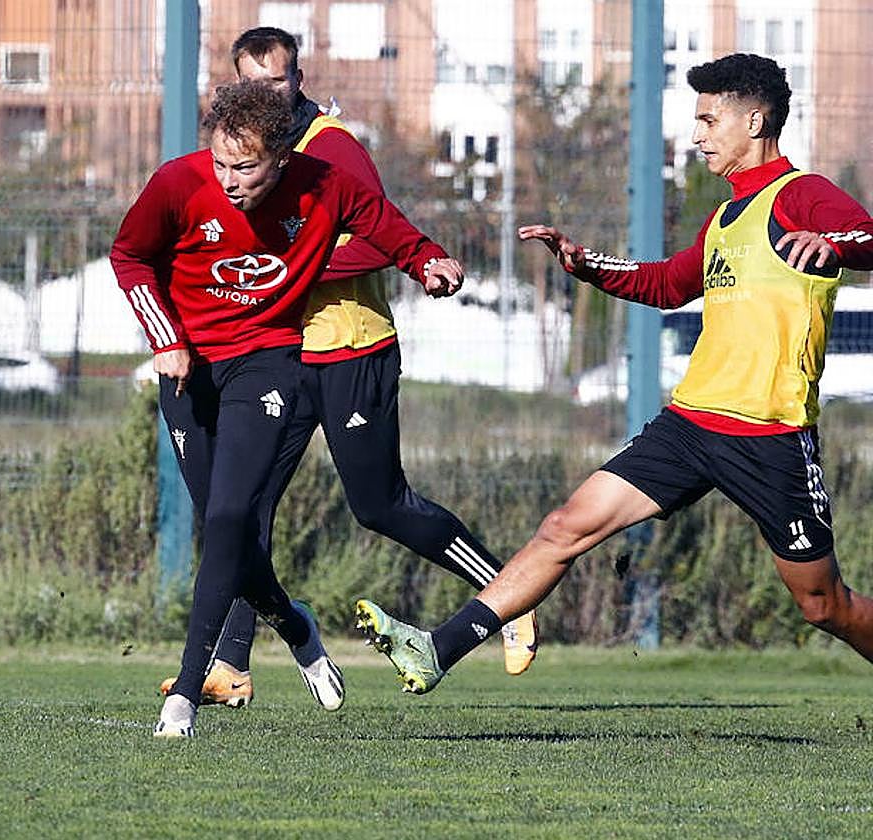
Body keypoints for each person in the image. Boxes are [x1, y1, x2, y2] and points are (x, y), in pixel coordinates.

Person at [355, 52, 873, 693]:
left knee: (823, 605)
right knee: (564, 527)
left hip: (770, 438)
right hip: (690, 426)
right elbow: (667, 283)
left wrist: (835, 243)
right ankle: (437, 649)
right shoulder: (725, 217)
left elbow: (866, 234)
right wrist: (586, 264)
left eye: (709, 121)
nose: (697, 136)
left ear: (755, 121)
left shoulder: (800, 194)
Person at [156, 26, 539, 710]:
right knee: (240, 510)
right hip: (277, 356)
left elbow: (377, 235)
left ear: (299, 79)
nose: (267, 91)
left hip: (348, 347)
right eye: (251, 82)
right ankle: (229, 665)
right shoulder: (240, 157)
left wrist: (292, 268)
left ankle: (510, 591)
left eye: (278, 79)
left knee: (378, 504)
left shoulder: (329, 147)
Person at [112, 79, 465, 736]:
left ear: (281, 157)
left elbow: (388, 227)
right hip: (188, 368)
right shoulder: (178, 183)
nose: (228, 180)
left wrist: (428, 262)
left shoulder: (323, 184)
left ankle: (185, 694)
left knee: (229, 518)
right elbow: (129, 256)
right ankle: (295, 625)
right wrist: (166, 340)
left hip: (268, 361)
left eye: (245, 167)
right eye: (221, 162)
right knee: (226, 531)